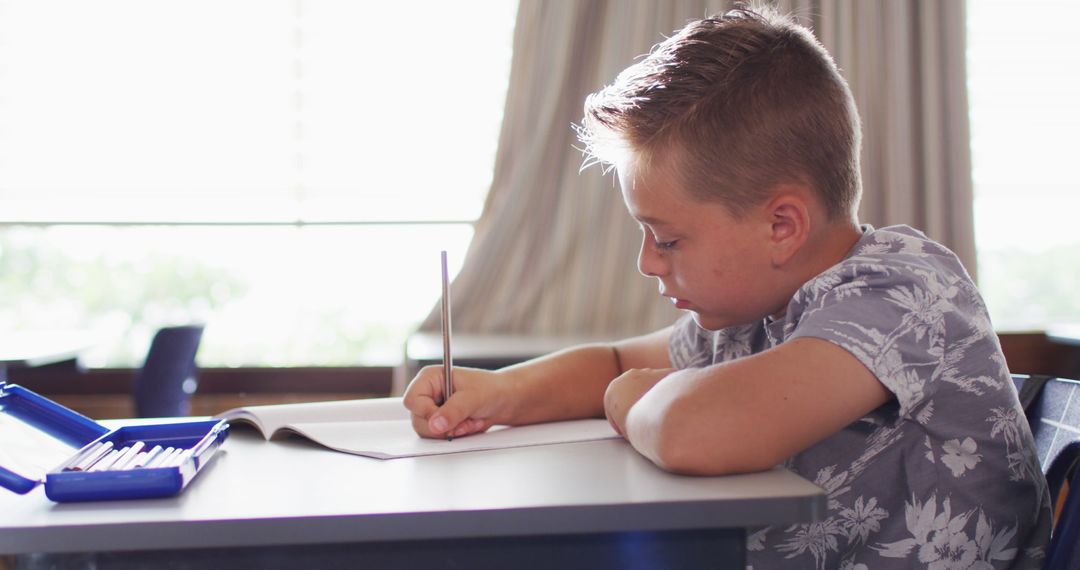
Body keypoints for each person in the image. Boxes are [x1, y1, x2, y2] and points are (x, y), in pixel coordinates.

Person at [403, 5, 1051, 568]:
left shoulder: (903, 290)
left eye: (669, 238)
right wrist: (498, 393)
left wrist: (630, 398)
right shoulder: (762, 308)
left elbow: (693, 429)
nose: (648, 264)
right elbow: (616, 361)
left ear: (781, 226)